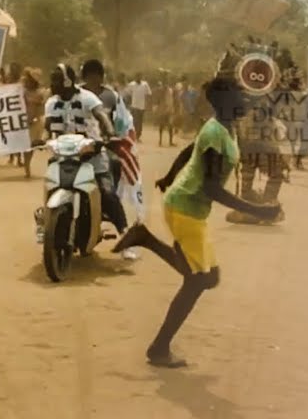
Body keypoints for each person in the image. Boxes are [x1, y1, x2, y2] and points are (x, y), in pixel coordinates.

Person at [112, 74, 281, 367]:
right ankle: (159, 348)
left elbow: (188, 152)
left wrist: (169, 176)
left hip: (189, 207)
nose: (244, 100)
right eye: (239, 95)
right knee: (198, 281)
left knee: (207, 277)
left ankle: (145, 239)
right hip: (186, 208)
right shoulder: (217, 132)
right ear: (226, 102)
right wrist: (256, 210)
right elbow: (211, 188)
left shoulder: (222, 128)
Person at [42, 64, 128, 237]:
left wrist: (110, 134)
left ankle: (124, 232)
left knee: (107, 193)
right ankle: (46, 220)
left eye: (56, 80)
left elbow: (102, 116)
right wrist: (42, 139)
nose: (52, 84)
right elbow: (47, 126)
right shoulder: (51, 102)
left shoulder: (88, 98)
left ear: (67, 81)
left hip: (92, 155)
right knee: (50, 183)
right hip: (64, 156)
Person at [20, 68, 46, 178]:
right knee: (25, 146)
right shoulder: (22, 93)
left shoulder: (40, 93)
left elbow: (42, 109)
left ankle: (27, 164)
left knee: (31, 147)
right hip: (24, 122)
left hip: (35, 123)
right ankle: (27, 167)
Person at [125, 74, 152, 142]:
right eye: (137, 76)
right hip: (134, 106)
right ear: (135, 77)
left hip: (141, 106)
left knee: (140, 122)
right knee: (134, 122)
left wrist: (148, 104)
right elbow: (128, 94)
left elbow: (149, 94)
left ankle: (138, 136)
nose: (138, 78)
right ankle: (133, 136)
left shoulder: (145, 84)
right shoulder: (131, 84)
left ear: (141, 77)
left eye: (140, 76)